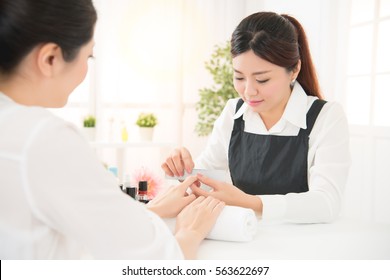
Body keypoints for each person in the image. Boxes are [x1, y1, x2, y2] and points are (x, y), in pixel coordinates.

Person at [0, 0, 224, 259]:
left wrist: (149, 211)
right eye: (89, 56)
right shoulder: (41, 139)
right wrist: (190, 232)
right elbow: (156, 261)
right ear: (50, 58)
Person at [162, 12, 351, 224]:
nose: (249, 91)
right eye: (239, 77)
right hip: (240, 236)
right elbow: (205, 182)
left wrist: (252, 203)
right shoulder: (233, 112)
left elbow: (326, 203)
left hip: (302, 246)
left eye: (262, 79)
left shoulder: (326, 117)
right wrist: (183, 171)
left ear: (294, 70)